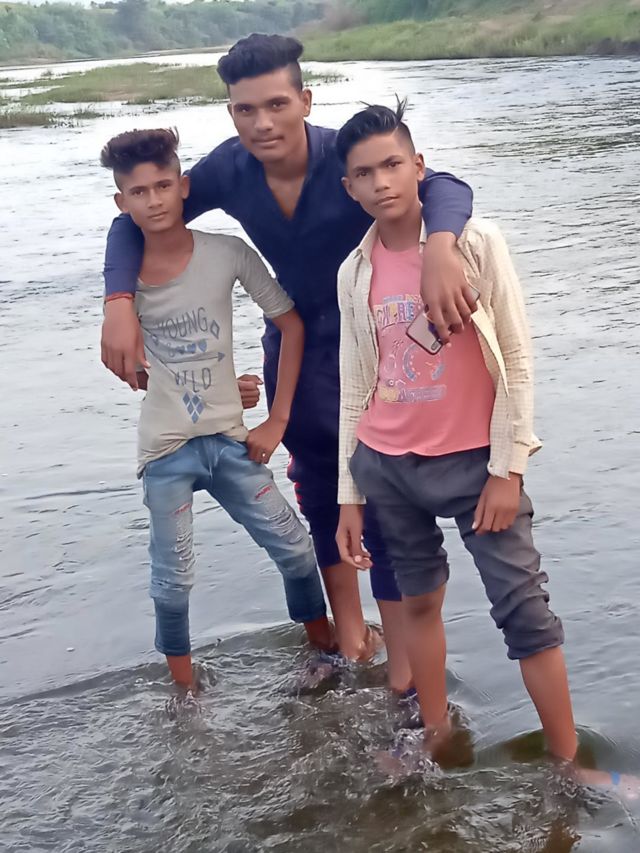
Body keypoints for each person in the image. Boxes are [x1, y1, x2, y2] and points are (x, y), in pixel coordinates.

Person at [100, 33, 476, 688]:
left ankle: (405, 671)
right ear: (231, 113)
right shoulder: (229, 168)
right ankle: (349, 639)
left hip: (374, 350)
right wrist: (118, 302)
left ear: (305, 100)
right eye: (245, 109)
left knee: (381, 493)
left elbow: (440, 183)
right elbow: (139, 215)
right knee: (320, 490)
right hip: (298, 354)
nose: (263, 123)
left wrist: (440, 245)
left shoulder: (344, 155)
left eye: (276, 104)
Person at [334, 101, 579, 762]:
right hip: (388, 465)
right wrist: (349, 495)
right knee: (418, 602)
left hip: (476, 466)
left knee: (526, 615)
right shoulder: (354, 271)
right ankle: (435, 732)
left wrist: (508, 469)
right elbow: (356, 383)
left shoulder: (475, 244)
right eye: (365, 174)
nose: (382, 182)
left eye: (392, 164)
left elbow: (517, 360)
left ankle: (568, 763)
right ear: (350, 188)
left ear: (419, 166)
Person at [100, 126, 334, 691]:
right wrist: (138, 344)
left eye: (163, 186)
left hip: (232, 443)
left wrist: (275, 416)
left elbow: (290, 324)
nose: (153, 201)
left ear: (183, 186)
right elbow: (136, 372)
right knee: (173, 580)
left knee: (296, 549)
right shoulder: (124, 286)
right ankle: (185, 694)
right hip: (166, 452)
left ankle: (326, 652)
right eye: (138, 192)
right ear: (121, 203)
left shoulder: (225, 253)